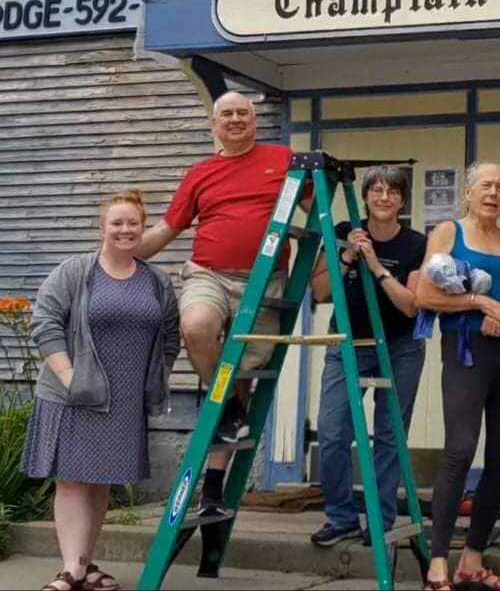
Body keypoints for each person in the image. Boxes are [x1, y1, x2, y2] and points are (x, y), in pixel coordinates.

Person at [138, 90, 311, 515]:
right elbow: (167, 228)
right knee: (196, 326)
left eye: (243, 113)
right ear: (213, 124)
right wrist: (122, 253)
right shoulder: (201, 173)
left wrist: (350, 233)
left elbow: (317, 206)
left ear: (254, 121)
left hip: (266, 281)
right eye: (226, 114)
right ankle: (230, 405)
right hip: (208, 272)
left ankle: (213, 488)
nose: (235, 119)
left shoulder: (282, 158)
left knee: (246, 373)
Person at [22, 190, 180, 591]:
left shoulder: (156, 281)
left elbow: (171, 335)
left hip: (125, 401)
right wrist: (70, 375)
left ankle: (83, 565)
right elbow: (45, 321)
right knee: (73, 480)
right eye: (117, 223)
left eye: (133, 223)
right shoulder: (76, 271)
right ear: (102, 227)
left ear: (143, 228)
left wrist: (156, 377)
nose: (125, 230)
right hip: (73, 394)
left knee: (100, 480)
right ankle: (71, 570)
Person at [416, 162, 500, 591]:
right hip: (466, 348)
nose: (494, 192)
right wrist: (478, 303)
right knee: (460, 449)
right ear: (468, 192)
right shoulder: (449, 233)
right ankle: (437, 563)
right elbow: (425, 294)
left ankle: (472, 557)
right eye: (485, 185)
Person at [309, 165, 427, 547]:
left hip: (401, 346)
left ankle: (380, 520)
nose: (383, 197)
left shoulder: (415, 244)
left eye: (392, 191)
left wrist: (374, 265)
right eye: (376, 190)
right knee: (332, 432)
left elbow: (411, 306)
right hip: (348, 343)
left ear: (402, 200)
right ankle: (341, 516)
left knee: (390, 436)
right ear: (365, 196)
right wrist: (347, 258)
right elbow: (321, 292)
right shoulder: (345, 232)